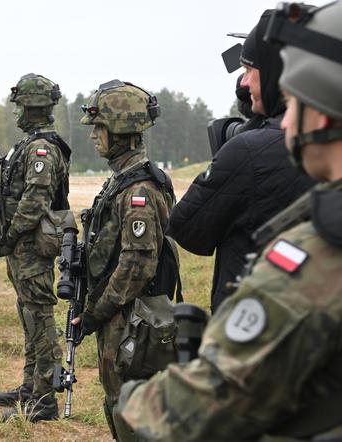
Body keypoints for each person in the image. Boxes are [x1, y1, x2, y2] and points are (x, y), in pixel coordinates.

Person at [117, 3, 342, 440]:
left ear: (326, 113)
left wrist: (130, 402)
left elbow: (181, 417)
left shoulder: (315, 256)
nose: (287, 119)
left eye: (294, 101)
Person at [167, 9, 315, 313]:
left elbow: (188, 230)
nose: (243, 82)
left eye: (249, 70)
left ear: (278, 72)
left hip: (251, 331)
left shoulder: (250, 149)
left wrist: (242, 143)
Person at [73, 80, 175, 441]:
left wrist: (94, 311)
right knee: (119, 403)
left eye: (99, 128)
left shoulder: (139, 191)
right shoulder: (122, 181)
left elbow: (136, 267)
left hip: (133, 319)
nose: (94, 136)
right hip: (121, 314)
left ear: (122, 131)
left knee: (130, 408)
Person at [0, 73, 70, 422]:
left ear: (30, 106)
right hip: (21, 246)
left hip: (31, 246)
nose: (17, 113)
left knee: (40, 320)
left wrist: (8, 237)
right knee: (29, 317)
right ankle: (30, 386)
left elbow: (35, 201)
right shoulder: (30, 143)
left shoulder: (42, 148)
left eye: (20, 106)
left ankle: (45, 401)